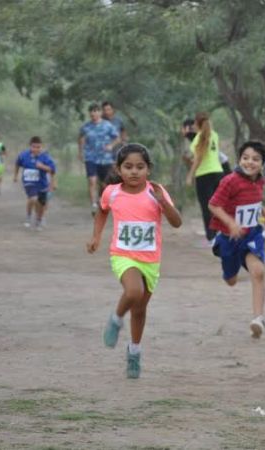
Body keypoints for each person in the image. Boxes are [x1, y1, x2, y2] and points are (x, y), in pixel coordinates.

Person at [87, 144, 182, 378]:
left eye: (140, 167)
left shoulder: (156, 191)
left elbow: (177, 222)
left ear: (148, 169)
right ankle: (116, 319)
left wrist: (164, 202)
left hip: (150, 259)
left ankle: (134, 352)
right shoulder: (112, 192)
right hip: (122, 255)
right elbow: (102, 211)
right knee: (133, 292)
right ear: (119, 169)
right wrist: (97, 236)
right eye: (128, 167)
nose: (134, 172)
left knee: (140, 309)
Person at [208, 141, 265, 338]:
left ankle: (258, 319)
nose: (250, 162)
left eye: (255, 159)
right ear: (239, 160)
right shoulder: (230, 181)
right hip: (229, 237)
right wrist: (230, 223)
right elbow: (213, 205)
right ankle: (229, 269)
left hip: (251, 234)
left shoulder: (260, 181)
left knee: (259, 272)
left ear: (262, 164)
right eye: (245, 158)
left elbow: (254, 200)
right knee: (231, 280)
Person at [186, 112, 224, 243]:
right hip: (218, 172)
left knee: (207, 207)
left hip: (204, 175)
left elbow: (198, 159)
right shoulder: (215, 135)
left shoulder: (198, 138)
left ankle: (211, 237)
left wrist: (190, 175)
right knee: (217, 206)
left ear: (197, 124)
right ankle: (220, 233)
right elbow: (213, 154)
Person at [78, 103, 121, 216]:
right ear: (89, 113)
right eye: (92, 111)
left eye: (96, 111)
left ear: (100, 113)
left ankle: (102, 200)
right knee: (92, 181)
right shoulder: (86, 127)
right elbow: (81, 139)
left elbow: (117, 138)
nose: (94, 113)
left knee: (105, 184)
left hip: (105, 158)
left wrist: (111, 145)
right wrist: (80, 152)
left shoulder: (108, 126)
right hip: (90, 157)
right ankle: (93, 205)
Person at [13, 136, 57, 231]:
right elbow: (17, 164)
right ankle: (29, 217)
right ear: (30, 146)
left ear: (41, 147)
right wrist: (15, 176)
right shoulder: (23, 155)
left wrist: (42, 167)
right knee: (33, 198)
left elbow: (52, 170)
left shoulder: (45, 157)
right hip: (29, 182)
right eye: (34, 147)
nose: (36, 149)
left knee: (41, 203)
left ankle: (39, 220)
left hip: (42, 183)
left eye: (38, 147)